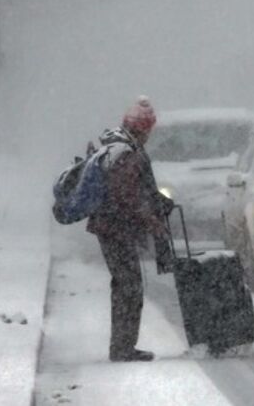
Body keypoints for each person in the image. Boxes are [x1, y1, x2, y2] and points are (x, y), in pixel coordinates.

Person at [87, 96, 171, 362]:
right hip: (115, 228)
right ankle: (122, 349)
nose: (149, 135)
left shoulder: (119, 147)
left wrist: (158, 201)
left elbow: (136, 190)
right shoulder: (127, 153)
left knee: (126, 285)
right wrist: (152, 221)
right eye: (148, 130)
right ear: (143, 128)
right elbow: (129, 196)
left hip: (110, 226)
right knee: (129, 287)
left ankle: (122, 346)